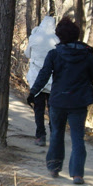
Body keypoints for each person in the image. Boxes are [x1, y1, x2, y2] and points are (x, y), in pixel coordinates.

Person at [27, 17, 93, 185]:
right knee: (78, 137)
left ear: (59, 36)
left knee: (56, 134)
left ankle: (54, 168)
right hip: (79, 102)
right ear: (77, 35)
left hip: (58, 100)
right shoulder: (87, 55)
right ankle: (77, 174)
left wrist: (33, 92)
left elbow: (43, 76)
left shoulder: (54, 54)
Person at [25, 16, 59, 146]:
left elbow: (27, 54)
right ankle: (54, 135)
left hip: (35, 78)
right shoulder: (56, 39)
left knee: (38, 108)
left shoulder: (34, 38)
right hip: (52, 79)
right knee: (52, 109)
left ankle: (40, 135)